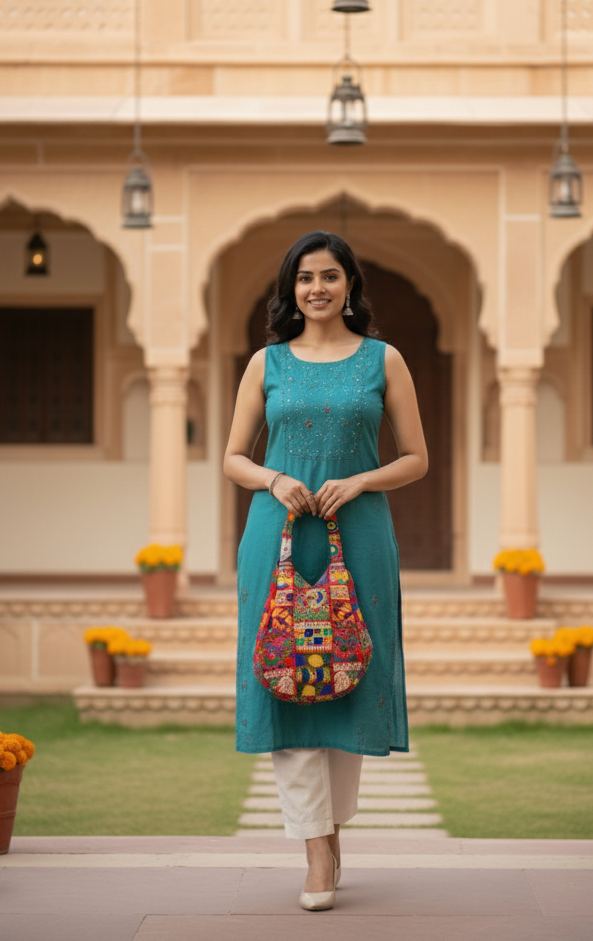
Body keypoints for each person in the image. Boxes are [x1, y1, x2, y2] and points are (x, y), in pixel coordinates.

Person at [223, 229, 429, 911]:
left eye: (330, 276)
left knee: (346, 676)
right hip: (279, 531)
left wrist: (362, 480)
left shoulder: (383, 359)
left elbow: (416, 457)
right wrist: (274, 478)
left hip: (359, 533)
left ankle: (331, 832)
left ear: (350, 286)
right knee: (287, 673)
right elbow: (233, 457)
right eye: (305, 277)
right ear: (292, 289)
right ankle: (316, 851)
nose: (317, 288)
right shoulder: (267, 363)